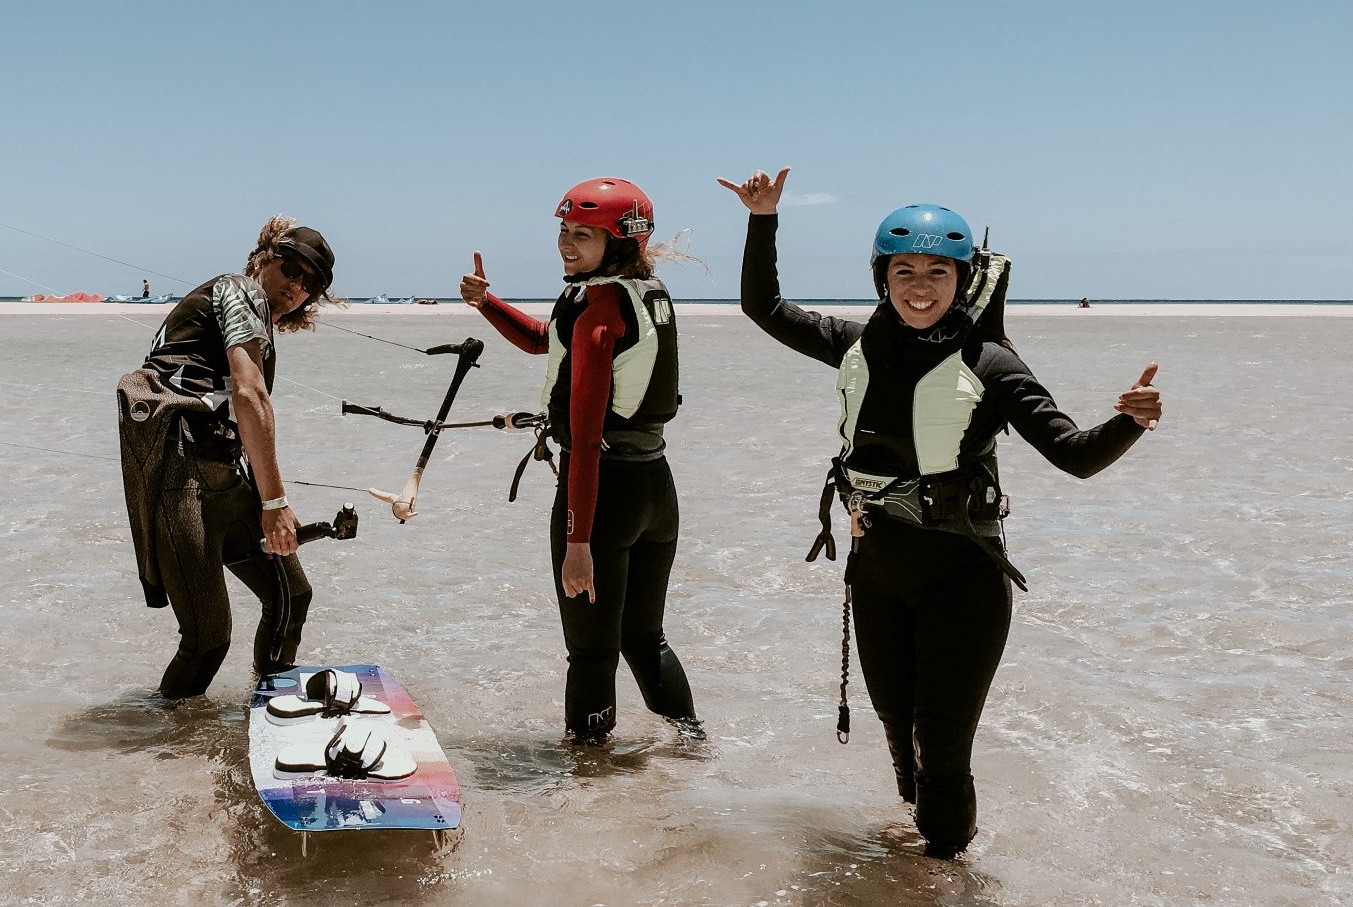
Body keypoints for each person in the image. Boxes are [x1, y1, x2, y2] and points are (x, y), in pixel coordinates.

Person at [719, 167, 1162, 857]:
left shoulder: (991, 364)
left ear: (962, 280)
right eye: (904, 271)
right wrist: (763, 220)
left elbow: (1074, 455)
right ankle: (918, 875)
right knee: (900, 735)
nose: (920, 286)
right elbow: (763, 306)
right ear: (882, 277)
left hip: (963, 579)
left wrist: (1130, 422)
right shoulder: (855, 344)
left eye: (937, 272)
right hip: (877, 573)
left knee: (943, 749)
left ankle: (948, 873)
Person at [460, 178, 699, 743]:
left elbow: (588, 440)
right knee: (645, 637)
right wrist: (487, 303)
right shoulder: (641, 294)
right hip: (655, 488)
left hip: (604, 493)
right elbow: (546, 340)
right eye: (565, 231)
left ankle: (587, 772)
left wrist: (577, 542)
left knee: (591, 651)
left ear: (619, 240)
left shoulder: (600, 309)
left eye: (583, 235)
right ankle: (693, 749)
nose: (566, 244)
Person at [117, 218, 336, 699]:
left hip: (222, 477)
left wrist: (267, 501)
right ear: (265, 257)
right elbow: (249, 394)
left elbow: (238, 418)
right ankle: (161, 734)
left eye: (311, 284)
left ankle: (269, 709)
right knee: (208, 639)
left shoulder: (252, 315)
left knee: (291, 595)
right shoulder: (240, 290)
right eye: (292, 269)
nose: (298, 286)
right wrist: (275, 503)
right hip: (181, 479)